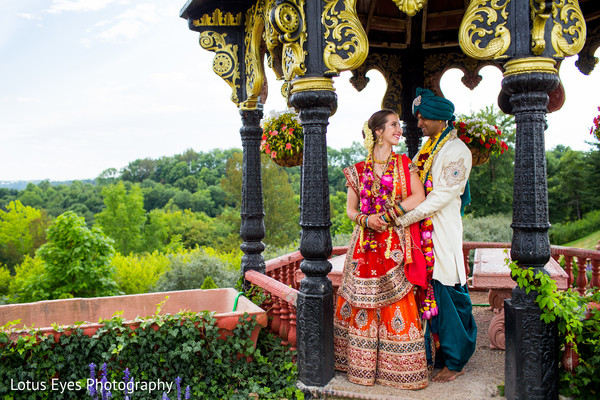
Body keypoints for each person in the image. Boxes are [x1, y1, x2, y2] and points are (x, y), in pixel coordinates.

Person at [333, 109, 429, 389]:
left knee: (396, 300)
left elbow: (418, 196)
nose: (399, 129)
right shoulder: (358, 170)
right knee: (362, 300)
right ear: (378, 131)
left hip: (393, 244)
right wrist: (366, 219)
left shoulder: (404, 163)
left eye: (399, 125)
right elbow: (350, 210)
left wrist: (388, 216)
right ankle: (361, 368)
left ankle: (399, 371)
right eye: (393, 125)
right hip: (363, 247)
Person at [393, 87, 477, 383]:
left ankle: (455, 362)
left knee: (448, 291)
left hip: (441, 232)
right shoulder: (429, 148)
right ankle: (438, 357)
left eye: (422, 118)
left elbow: (442, 195)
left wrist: (404, 218)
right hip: (422, 234)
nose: (418, 124)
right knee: (431, 295)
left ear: (440, 118)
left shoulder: (457, 151)